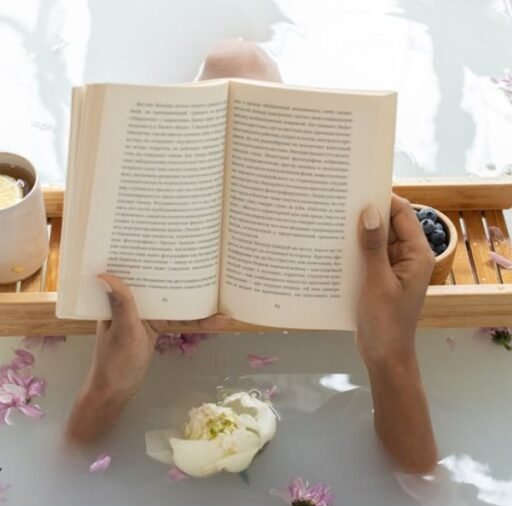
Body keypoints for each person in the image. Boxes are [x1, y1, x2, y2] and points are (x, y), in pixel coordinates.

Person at [66, 40, 438, 474]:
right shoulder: (130, 294)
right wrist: (109, 384)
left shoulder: (357, 287)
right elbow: (68, 469)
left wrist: (390, 354)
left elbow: (419, 484)